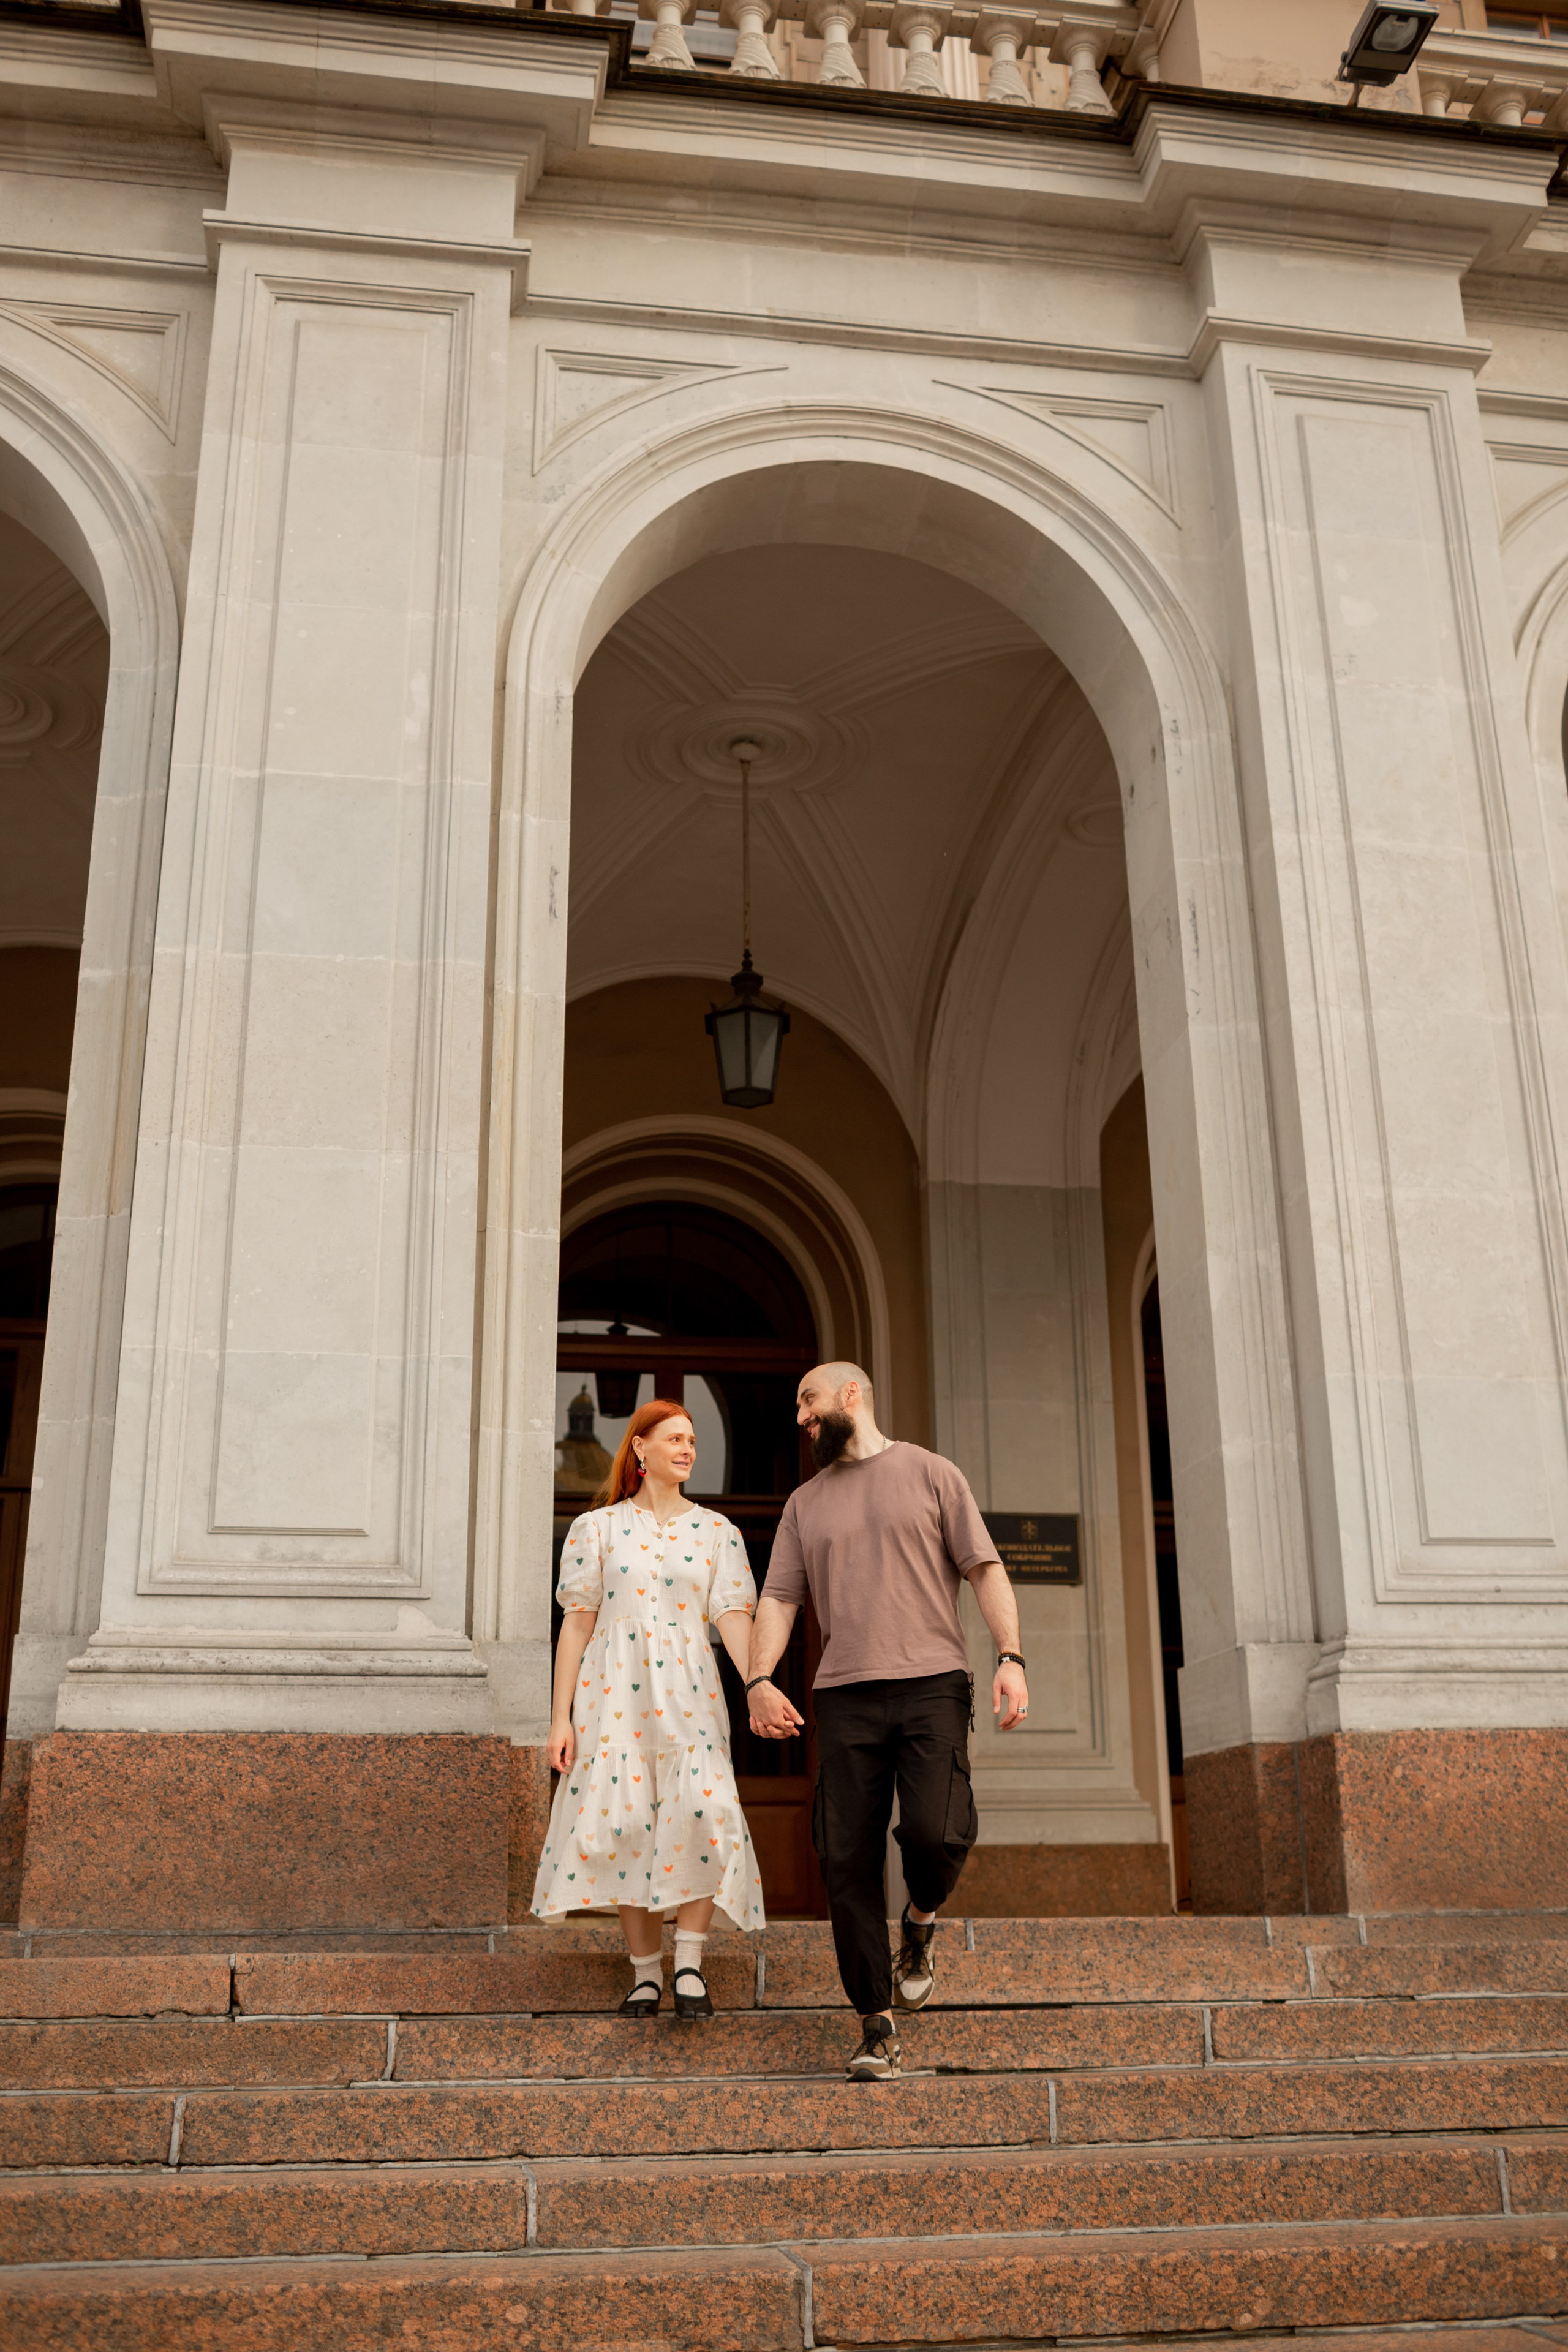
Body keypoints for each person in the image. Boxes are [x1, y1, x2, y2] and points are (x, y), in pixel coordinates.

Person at [746, 1363, 1028, 2079]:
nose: (801, 1418)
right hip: (843, 1693)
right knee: (845, 1859)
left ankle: (920, 1922)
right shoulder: (803, 1504)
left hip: (933, 1682)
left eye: (807, 1401)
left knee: (933, 1834)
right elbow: (779, 1599)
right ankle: (876, 2024)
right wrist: (757, 1678)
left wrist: (1011, 1655)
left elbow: (984, 1568)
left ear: (851, 1395)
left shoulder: (932, 1474)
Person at [532, 1398, 765, 2016]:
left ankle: (688, 1962)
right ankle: (644, 1973)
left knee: (706, 1813)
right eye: (674, 1439)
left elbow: (735, 1622)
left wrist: (758, 1685)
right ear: (639, 1448)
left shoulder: (719, 1533)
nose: (688, 1448)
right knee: (626, 1825)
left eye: (692, 1439)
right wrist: (560, 1718)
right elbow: (576, 1629)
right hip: (611, 1697)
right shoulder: (597, 1529)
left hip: (692, 1693)